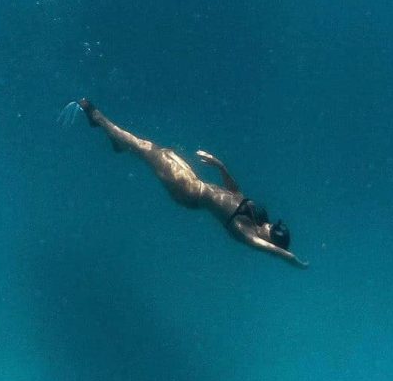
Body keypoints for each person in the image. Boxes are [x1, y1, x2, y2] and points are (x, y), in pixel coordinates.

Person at [62, 99, 307, 267]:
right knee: (158, 150)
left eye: (273, 232)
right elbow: (235, 192)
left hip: (189, 191)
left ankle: (98, 118)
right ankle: (116, 142)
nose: (271, 225)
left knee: (145, 148)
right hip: (196, 182)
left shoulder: (246, 234)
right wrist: (219, 165)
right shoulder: (258, 219)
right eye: (275, 225)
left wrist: (291, 259)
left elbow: (272, 251)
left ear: (270, 239)